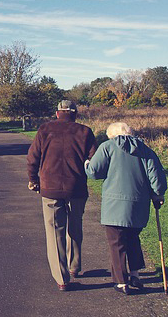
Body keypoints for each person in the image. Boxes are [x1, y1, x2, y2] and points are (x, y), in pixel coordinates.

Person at [85, 122, 167, 295]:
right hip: (139, 204)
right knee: (132, 238)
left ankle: (121, 282)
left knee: (116, 243)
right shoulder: (145, 150)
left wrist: (86, 164)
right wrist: (158, 195)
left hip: (114, 205)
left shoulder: (107, 147)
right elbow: (156, 178)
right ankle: (135, 274)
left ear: (112, 135)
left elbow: (94, 172)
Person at [27, 100, 98, 291]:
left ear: (57, 113)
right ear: (74, 114)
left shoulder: (44, 129)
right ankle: (74, 266)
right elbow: (94, 160)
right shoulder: (85, 131)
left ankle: (62, 278)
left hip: (50, 188)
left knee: (54, 232)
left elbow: (32, 157)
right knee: (75, 226)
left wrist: (33, 180)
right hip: (76, 188)